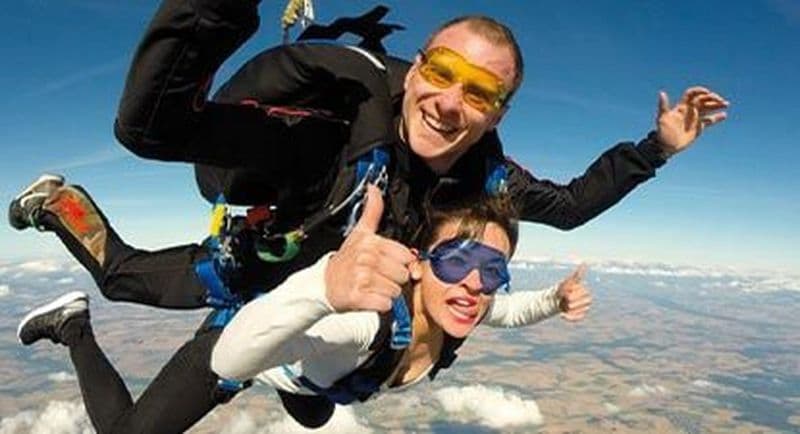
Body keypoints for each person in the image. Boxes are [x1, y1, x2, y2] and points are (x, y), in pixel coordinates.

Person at [17, 186, 592, 432]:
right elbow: (231, 356)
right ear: (416, 262)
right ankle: (75, 326)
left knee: (314, 406)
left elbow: (507, 310)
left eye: (492, 272)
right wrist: (321, 287)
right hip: (249, 340)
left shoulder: (459, 305)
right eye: (456, 263)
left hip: (307, 376)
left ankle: (304, 387)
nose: (473, 285)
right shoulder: (359, 325)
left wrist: (553, 301)